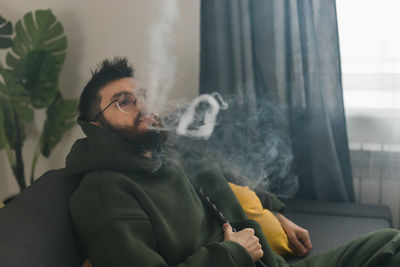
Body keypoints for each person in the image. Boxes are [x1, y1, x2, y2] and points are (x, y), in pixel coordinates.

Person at [67, 57, 400, 267]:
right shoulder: (103, 195)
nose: (143, 106)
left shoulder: (164, 158)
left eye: (142, 96)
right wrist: (232, 254)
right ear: (94, 125)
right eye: (123, 101)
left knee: (391, 242)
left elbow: (220, 177)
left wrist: (276, 214)